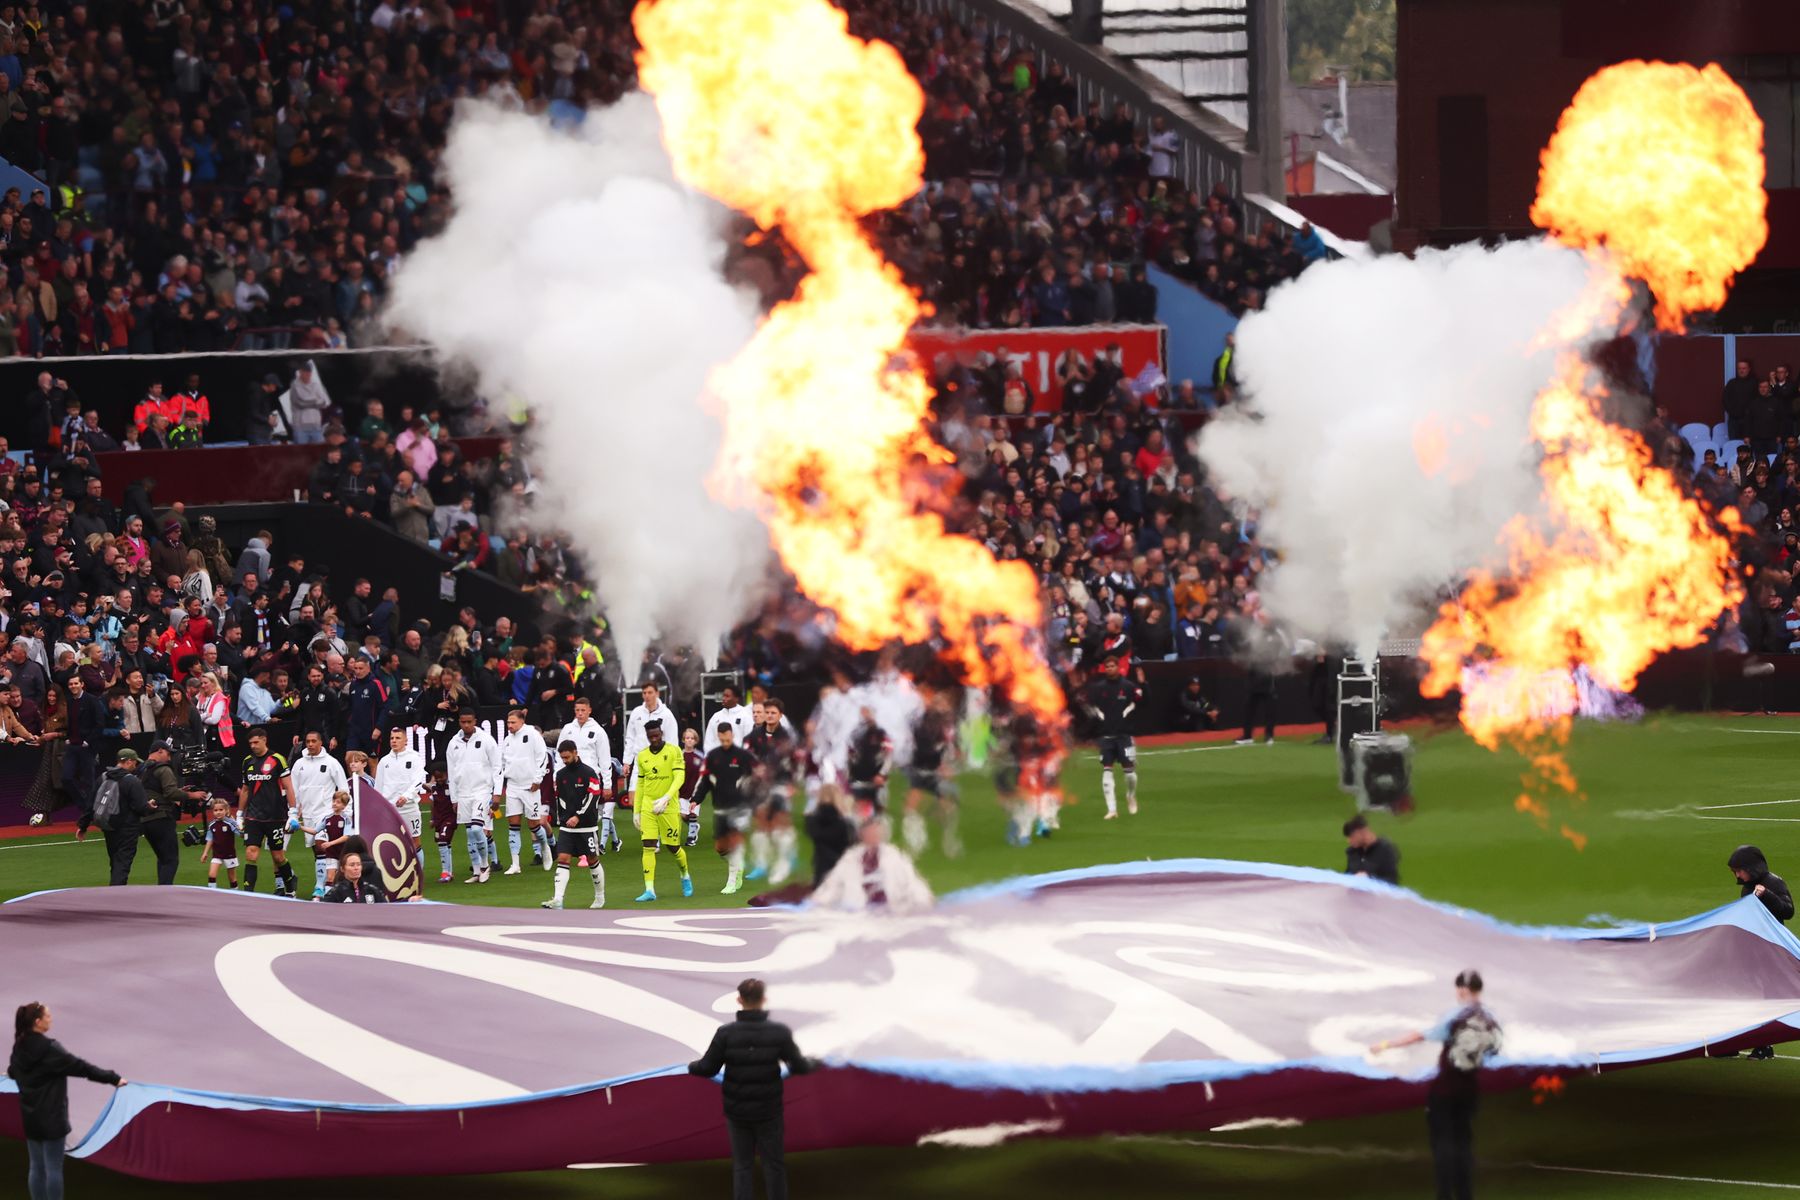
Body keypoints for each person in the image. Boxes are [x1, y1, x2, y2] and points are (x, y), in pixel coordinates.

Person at [1371, 970, 1501, 1200]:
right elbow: (1493, 1048)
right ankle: (1465, 1195)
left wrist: (1385, 1044)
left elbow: (1421, 1036)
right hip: (1470, 1088)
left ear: (1461, 989)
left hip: (1446, 1088)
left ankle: (1444, 1195)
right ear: (1479, 989)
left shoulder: (1455, 1016)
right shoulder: (1489, 1017)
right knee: (1463, 1142)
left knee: (1443, 1145)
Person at [687, 979, 813, 1200]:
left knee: (742, 1166)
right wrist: (816, 1062)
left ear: (739, 999)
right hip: (769, 1111)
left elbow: (707, 1068)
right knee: (774, 1165)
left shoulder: (725, 1033)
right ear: (764, 1000)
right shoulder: (779, 1032)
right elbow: (799, 1066)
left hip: (738, 1112)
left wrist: (690, 1066)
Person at [10, 1002, 126, 1200]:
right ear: (38, 1022)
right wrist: (113, 1078)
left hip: (31, 1118)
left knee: (36, 1167)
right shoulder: (50, 1049)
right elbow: (81, 1067)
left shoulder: (19, 1046)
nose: (51, 1019)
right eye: (48, 1016)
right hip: (53, 1118)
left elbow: (14, 1071)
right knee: (54, 1169)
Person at [1729, 845, 1793, 1059]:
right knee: (1742, 994)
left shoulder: (1774, 882)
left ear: (1752, 867)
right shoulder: (1747, 887)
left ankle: (1764, 1045)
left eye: (1739, 870)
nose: (1737, 875)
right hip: (1751, 947)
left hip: (1769, 949)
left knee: (1763, 997)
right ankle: (1733, 1042)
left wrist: (1767, 895)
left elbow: (1788, 911)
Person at [811, 815, 936, 913]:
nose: (873, 836)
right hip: (859, 911)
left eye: (876, 832)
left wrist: (924, 898)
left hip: (889, 910)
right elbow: (833, 884)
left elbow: (911, 881)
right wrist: (816, 902)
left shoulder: (894, 856)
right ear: (862, 835)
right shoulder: (850, 859)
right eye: (869, 833)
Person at [541, 739, 607, 910]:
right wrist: (564, 818)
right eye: (562, 758)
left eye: (567, 757)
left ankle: (600, 897)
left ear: (575, 753)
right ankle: (558, 899)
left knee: (592, 860)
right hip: (567, 827)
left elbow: (593, 796)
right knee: (562, 859)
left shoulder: (589, 773)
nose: (565, 760)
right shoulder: (560, 775)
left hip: (587, 826)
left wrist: (577, 816)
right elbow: (560, 797)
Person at [693, 720, 758, 894]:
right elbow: (706, 781)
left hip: (740, 807)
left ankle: (731, 882)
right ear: (719, 736)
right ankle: (738, 865)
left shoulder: (744, 756)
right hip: (720, 807)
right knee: (720, 847)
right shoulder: (713, 756)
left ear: (732, 735)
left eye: (727, 737)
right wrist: (695, 799)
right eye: (721, 738)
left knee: (735, 842)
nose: (724, 740)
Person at [630, 718, 691, 902]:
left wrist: (666, 797)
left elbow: (679, 777)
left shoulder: (674, 751)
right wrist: (637, 810)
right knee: (648, 846)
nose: (654, 739)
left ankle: (685, 875)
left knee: (673, 847)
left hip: (669, 806)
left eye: (656, 735)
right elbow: (641, 783)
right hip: (649, 805)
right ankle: (649, 890)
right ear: (647, 737)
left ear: (661, 733)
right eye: (651, 737)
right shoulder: (642, 756)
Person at [237, 726, 300, 897]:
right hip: (253, 817)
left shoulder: (277, 759)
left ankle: (290, 887)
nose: (253, 746)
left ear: (265, 740)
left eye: (256, 742)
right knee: (251, 853)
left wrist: (293, 812)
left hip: (275, 816)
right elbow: (244, 789)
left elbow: (288, 786)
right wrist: (239, 814)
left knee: (278, 857)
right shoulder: (247, 762)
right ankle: (248, 894)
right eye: (250, 743)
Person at [445, 709, 503, 883]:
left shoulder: (486, 740)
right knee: (470, 834)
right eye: (463, 722)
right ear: (459, 722)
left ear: (475, 721)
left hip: (482, 791)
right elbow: (451, 771)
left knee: (478, 829)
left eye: (469, 722)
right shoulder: (453, 743)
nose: (466, 725)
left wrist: (497, 793)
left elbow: (497, 766)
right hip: (463, 794)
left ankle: (485, 866)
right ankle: (476, 871)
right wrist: (454, 798)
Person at [292, 729, 349, 898]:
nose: (310, 744)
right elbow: (294, 791)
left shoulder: (331, 763)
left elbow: (343, 787)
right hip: (308, 814)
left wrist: (345, 810)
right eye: (307, 741)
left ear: (320, 742)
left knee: (321, 847)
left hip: (325, 813)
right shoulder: (299, 764)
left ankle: (320, 887)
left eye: (313, 741)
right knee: (318, 852)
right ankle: (331, 882)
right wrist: (294, 813)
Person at [901, 694, 960, 858]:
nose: (942, 707)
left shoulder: (948, 724)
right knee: (911, 807)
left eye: (944, 704)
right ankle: (916, 843)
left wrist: (947, 762)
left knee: (947, 807)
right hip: (922, 768)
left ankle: (949, 842)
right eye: (938, 703)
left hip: (935, 770)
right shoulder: (923, 723)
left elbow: (948, 746)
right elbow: (922, 745)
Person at [555, 696, 616, 851]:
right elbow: (558, 754)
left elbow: (604, 759)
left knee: (589, 811)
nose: (580, 713)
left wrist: (607, 784)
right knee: (572, 809)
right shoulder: (568, 729)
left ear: (589, 710)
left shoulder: (598, 731)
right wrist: (556, 776)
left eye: (583, 710)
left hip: (590, 778)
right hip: (569, 777)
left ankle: (592, 846)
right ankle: (575, 846)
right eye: (577, 710)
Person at [141, 740, 205, 884]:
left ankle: (161, 890)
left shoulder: (142, 769)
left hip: (145, 820)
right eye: (168, 754)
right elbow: (170, 793)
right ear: (160, 751)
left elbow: (156, 791)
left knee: (162, 858)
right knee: (170, 860)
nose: (169, 758)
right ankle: (164, 893)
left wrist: (179, 792)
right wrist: (192, 795)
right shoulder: (163, 769)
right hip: (162, 818)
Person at [1085, 656, 1142, 820]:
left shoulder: (1128, 686)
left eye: (1112, 666)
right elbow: (1090, 706)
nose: (1110, 669)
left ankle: (1131, 795)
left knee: (1129, 772)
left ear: (1118, 667)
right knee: (1106, 771)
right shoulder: (1098, 688)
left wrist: (1143, 684)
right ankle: (1112, 809)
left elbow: (1142, 700)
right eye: (1107, 666)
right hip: (1106, 736)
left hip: (1124, 735)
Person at [500, 708, 552, 874]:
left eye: (513, 722)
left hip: (530, 786)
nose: (510, 725)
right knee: (513, 825)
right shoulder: (507, 740)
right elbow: (502, 761)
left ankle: (545, 848)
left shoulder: (532, 735)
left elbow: (542, 757)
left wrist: (538, 779)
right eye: (508, 722)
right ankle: (515, 864)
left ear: (522, 721)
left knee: (534, 825)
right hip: (513, 786)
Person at [90, 748, 152, 885]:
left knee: (115, 862)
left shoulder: (103, 777)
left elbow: (92, 802)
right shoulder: (132, 781)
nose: (135, 766)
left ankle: (115, 890)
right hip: (127, 829)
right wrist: (149, 806)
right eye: (135, 763)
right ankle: (116, 894)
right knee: (123, 864)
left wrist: (82, 825)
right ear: (129, 762)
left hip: (108, 827)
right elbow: (141, 808)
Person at [373, 728, 429, 865]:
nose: (394, 741)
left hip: (409, 808)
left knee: (414, 841)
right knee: (392, 843)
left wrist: (406, 796)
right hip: (390, 810)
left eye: (398, 738)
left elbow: (419, 780)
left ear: (405, 740)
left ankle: (418, 876)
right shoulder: (384, 761)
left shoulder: (414, 758)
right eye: (392, 738)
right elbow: (378, 787)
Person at [1343, 814, 1402, 886]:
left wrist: (1369, 878)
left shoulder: (1386, 850)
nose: (1349, 841)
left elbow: (1392, 881)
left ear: (1363, 832)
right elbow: (1348, 875)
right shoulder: (1352, 852)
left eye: (1352, 836)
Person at [320, 850, 390, 903]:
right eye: (352, 865)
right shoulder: (336, 892)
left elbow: (386, 909)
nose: (356, 868)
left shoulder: (372, 890)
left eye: (358, 864)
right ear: (342, 869)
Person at [201, 797, 241, 888]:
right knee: (212, 874)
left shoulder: (230, 823)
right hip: (217, 854)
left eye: (221, 809)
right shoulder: (212, 824)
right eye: (215, 810)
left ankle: (235, 894)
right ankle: (212, 893)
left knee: (232, 877)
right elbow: (210, 839)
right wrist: (205, 853)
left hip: (229, 854)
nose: (218, 812)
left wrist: (239, 826)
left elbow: (240, 834)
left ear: (226, 810)